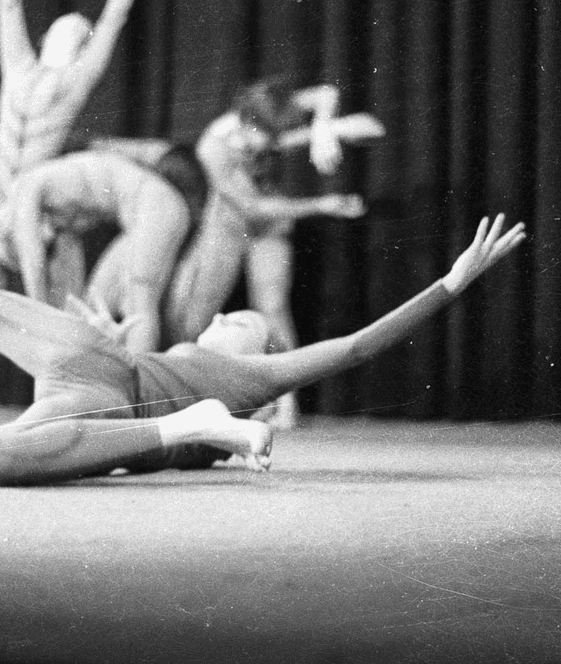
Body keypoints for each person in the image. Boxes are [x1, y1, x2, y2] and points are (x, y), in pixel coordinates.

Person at [0, 190, 526, 486]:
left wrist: (452, 282)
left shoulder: (254, 384)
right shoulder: (226, 388)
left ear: (256, 363)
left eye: (243, 324)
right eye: (229, 314)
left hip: (105, 386)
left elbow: (358, 346)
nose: (225, 317)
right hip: (107, 379)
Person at [0, 0, 165, 425]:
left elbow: (114, 19)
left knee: (55, 308)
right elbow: (8, 3)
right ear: (51, 34)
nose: (81, 28)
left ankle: (59, 395)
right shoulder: (19, 62)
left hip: (43, 205)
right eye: (73, 25)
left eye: (84, 31)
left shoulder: (76, 82)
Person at [95, 81, 385, 427]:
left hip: (270, 222)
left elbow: (342, 106)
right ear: (246, 122)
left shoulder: (276, 111)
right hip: (231, 223)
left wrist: (324, 127)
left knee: (273, 305)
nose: (270, 146)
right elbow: (252, 208)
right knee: (192, 321)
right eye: (267, 137)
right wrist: (321, 204)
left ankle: (285, 399)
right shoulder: (213, 147)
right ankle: (187, 399)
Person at [5, 150, 192, 355]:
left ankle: (139, 384)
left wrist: (40, 317)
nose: (46, 238)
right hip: (144, 215)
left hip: (157, 203)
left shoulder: (26, 188)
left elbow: (32, 260)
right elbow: (70, 298)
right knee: (91, 310)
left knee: (139, 303)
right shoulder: (57, 214)